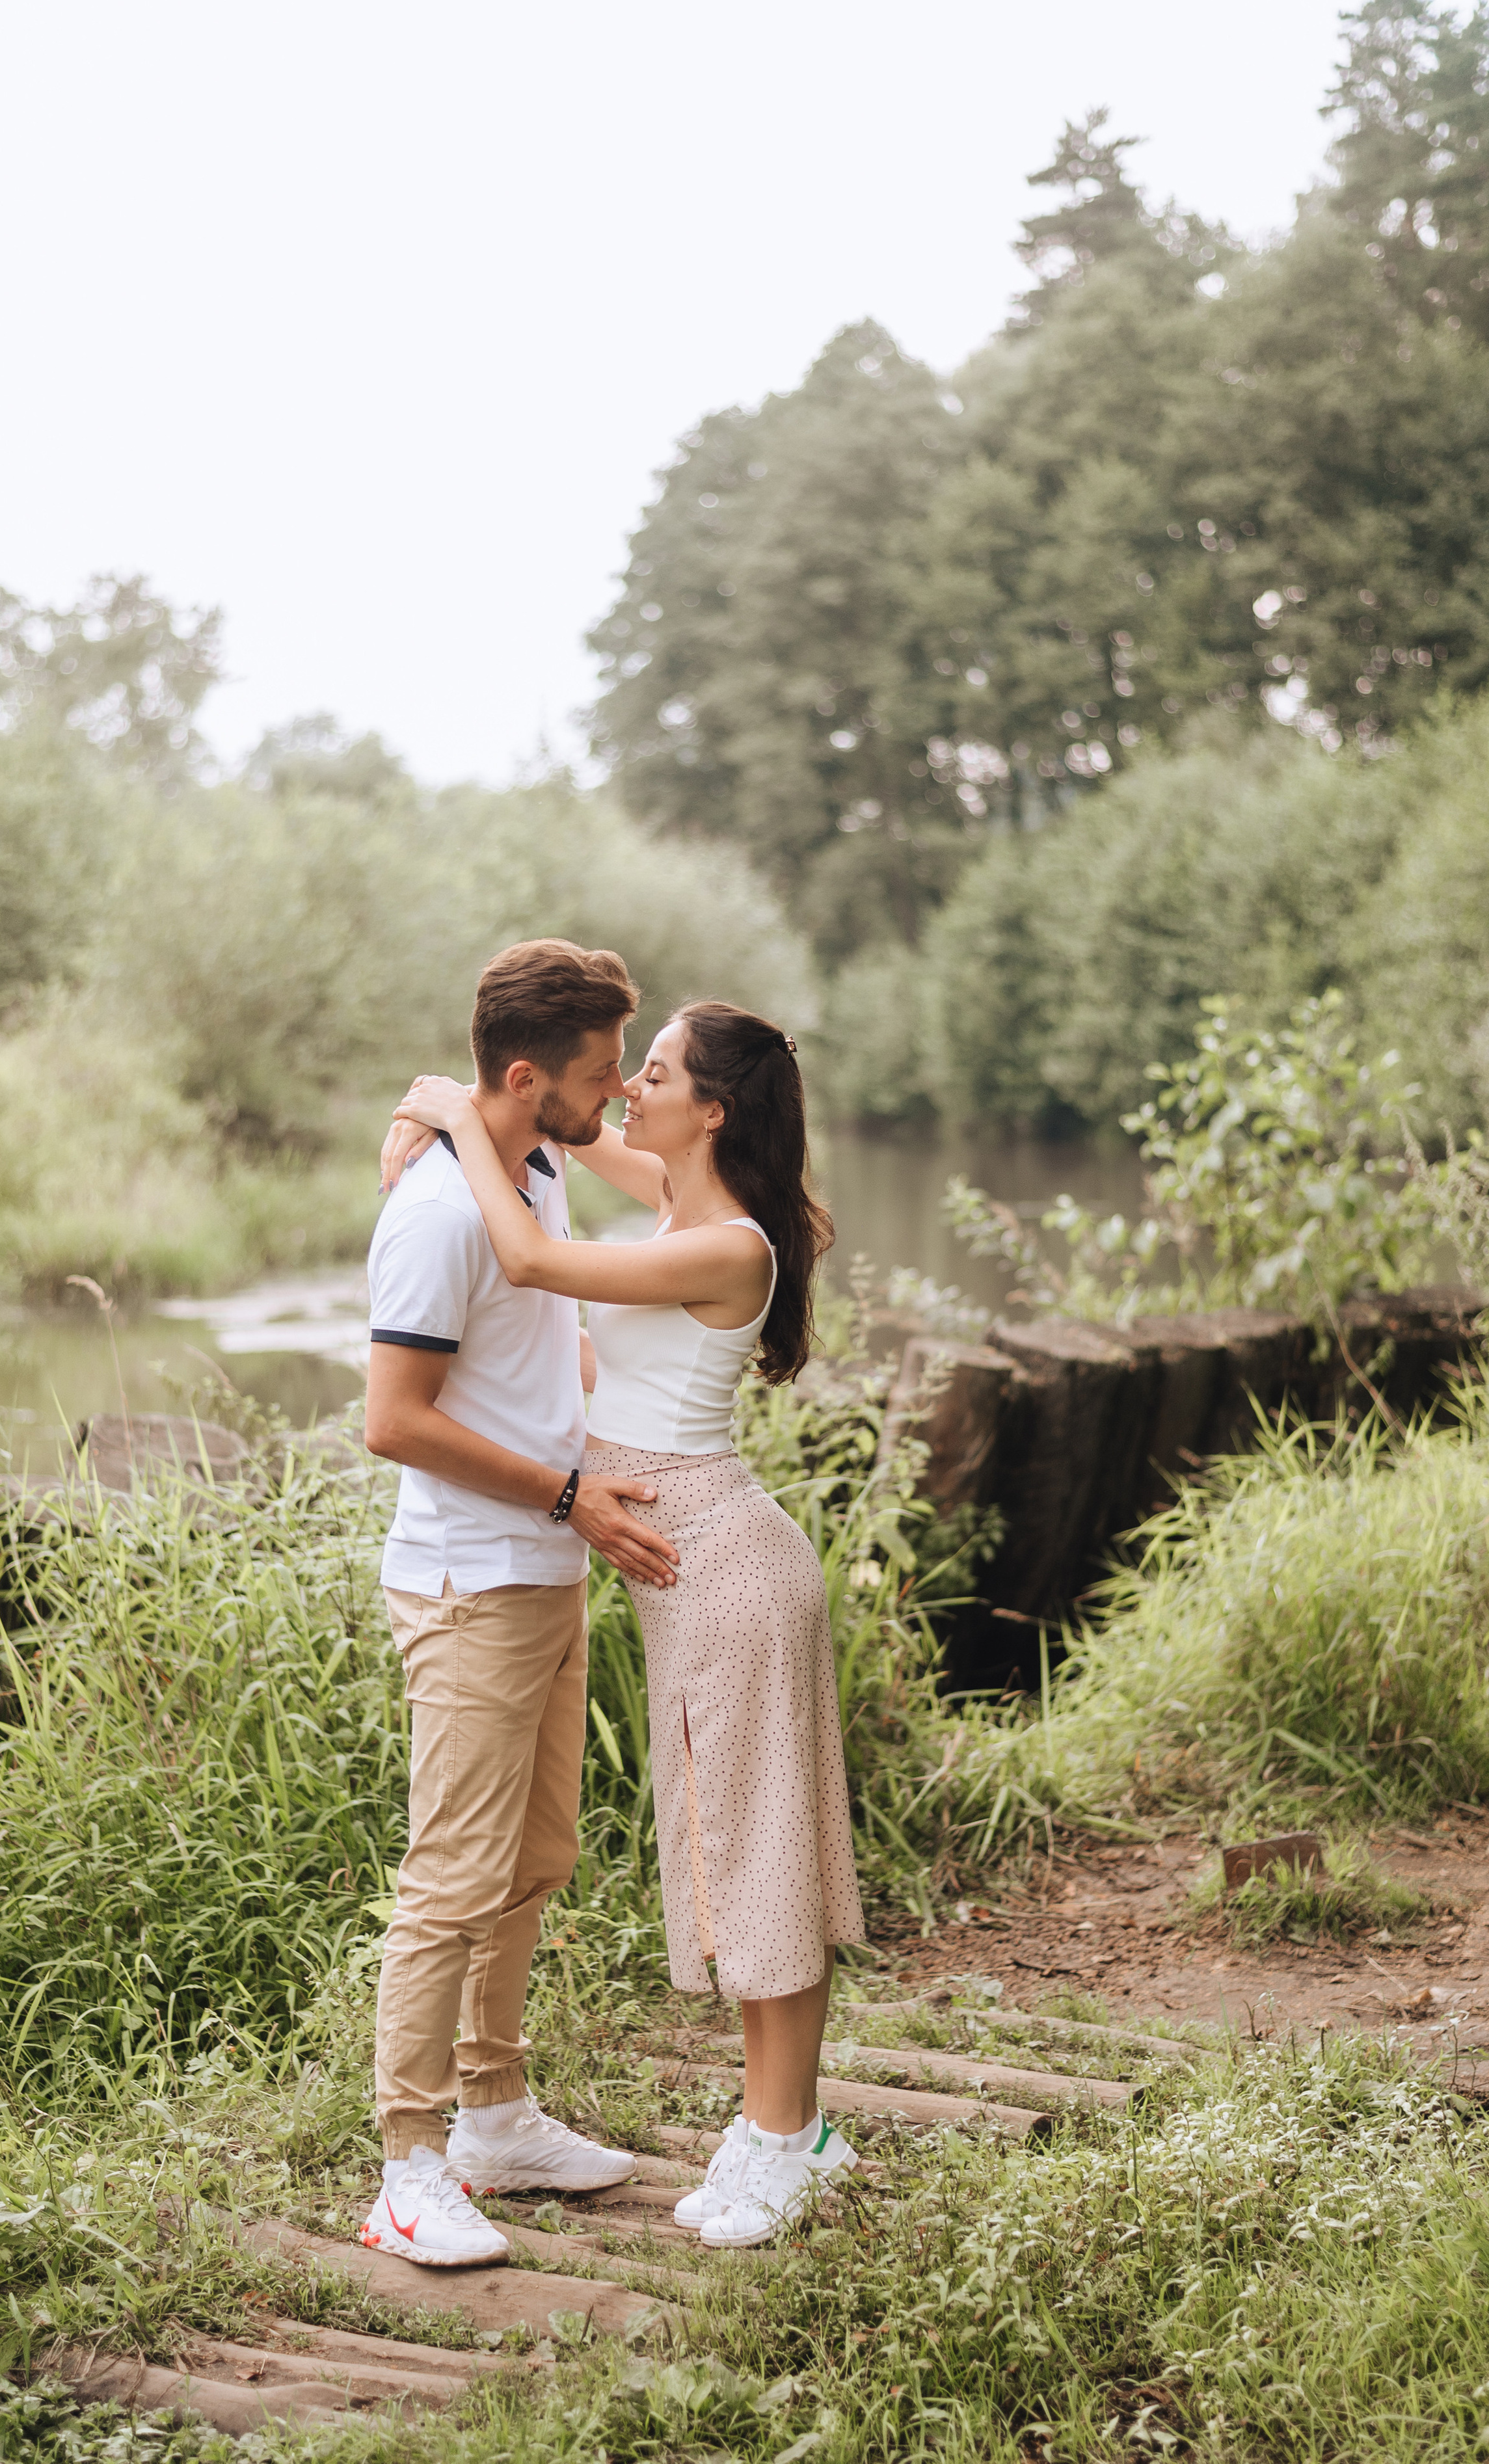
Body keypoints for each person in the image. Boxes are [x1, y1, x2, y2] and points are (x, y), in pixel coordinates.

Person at [389, 1000, 866, 2250]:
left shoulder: (733, 1246)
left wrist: (447, 1114)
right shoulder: (677, 1197)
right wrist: (462, 1110)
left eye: (651, 1072)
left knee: (761, 1854)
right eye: (628, 1068)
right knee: (728, 1848)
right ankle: (781, 2129)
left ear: (711, 1110)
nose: (628, 1086)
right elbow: (557, 1127)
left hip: (724, 1565)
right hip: (683, 1568)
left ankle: (787, 2137)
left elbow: (538, 1260)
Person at [358, 938, 682, 2268]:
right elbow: (392, 1420)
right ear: (531, 1072)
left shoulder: (532, 1163)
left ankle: (493, 2113)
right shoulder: (439, 1212)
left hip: (544, 1573)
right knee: (451, 1882)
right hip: (471, 1582)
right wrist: (566, 1495)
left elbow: (541, 1339)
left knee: (533, 1861)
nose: (614, 1092)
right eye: (603, 1070)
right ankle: (405, 2164)